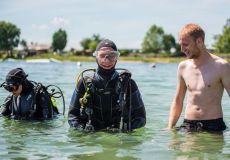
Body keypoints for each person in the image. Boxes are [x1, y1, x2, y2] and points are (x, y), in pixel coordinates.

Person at [68, 39, 146, 132]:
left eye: (111, 56)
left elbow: (141, 118)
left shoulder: (128, 83)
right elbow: (72, 116)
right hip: (91, 135)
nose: (107, 60)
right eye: (102, 55)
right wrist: (84, 133)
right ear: (96, 57)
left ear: (116, 58)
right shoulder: (84, 82)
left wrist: (125, 131)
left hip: (119, 135)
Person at [167, 23, 230, 132]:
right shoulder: (183, 67)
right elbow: (178, 100)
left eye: (185, 44)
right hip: (188, 125)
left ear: (199, 42)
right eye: (181, 45)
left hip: (214, 126)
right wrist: (170, 127)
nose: (182, 49)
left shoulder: (221, 66)